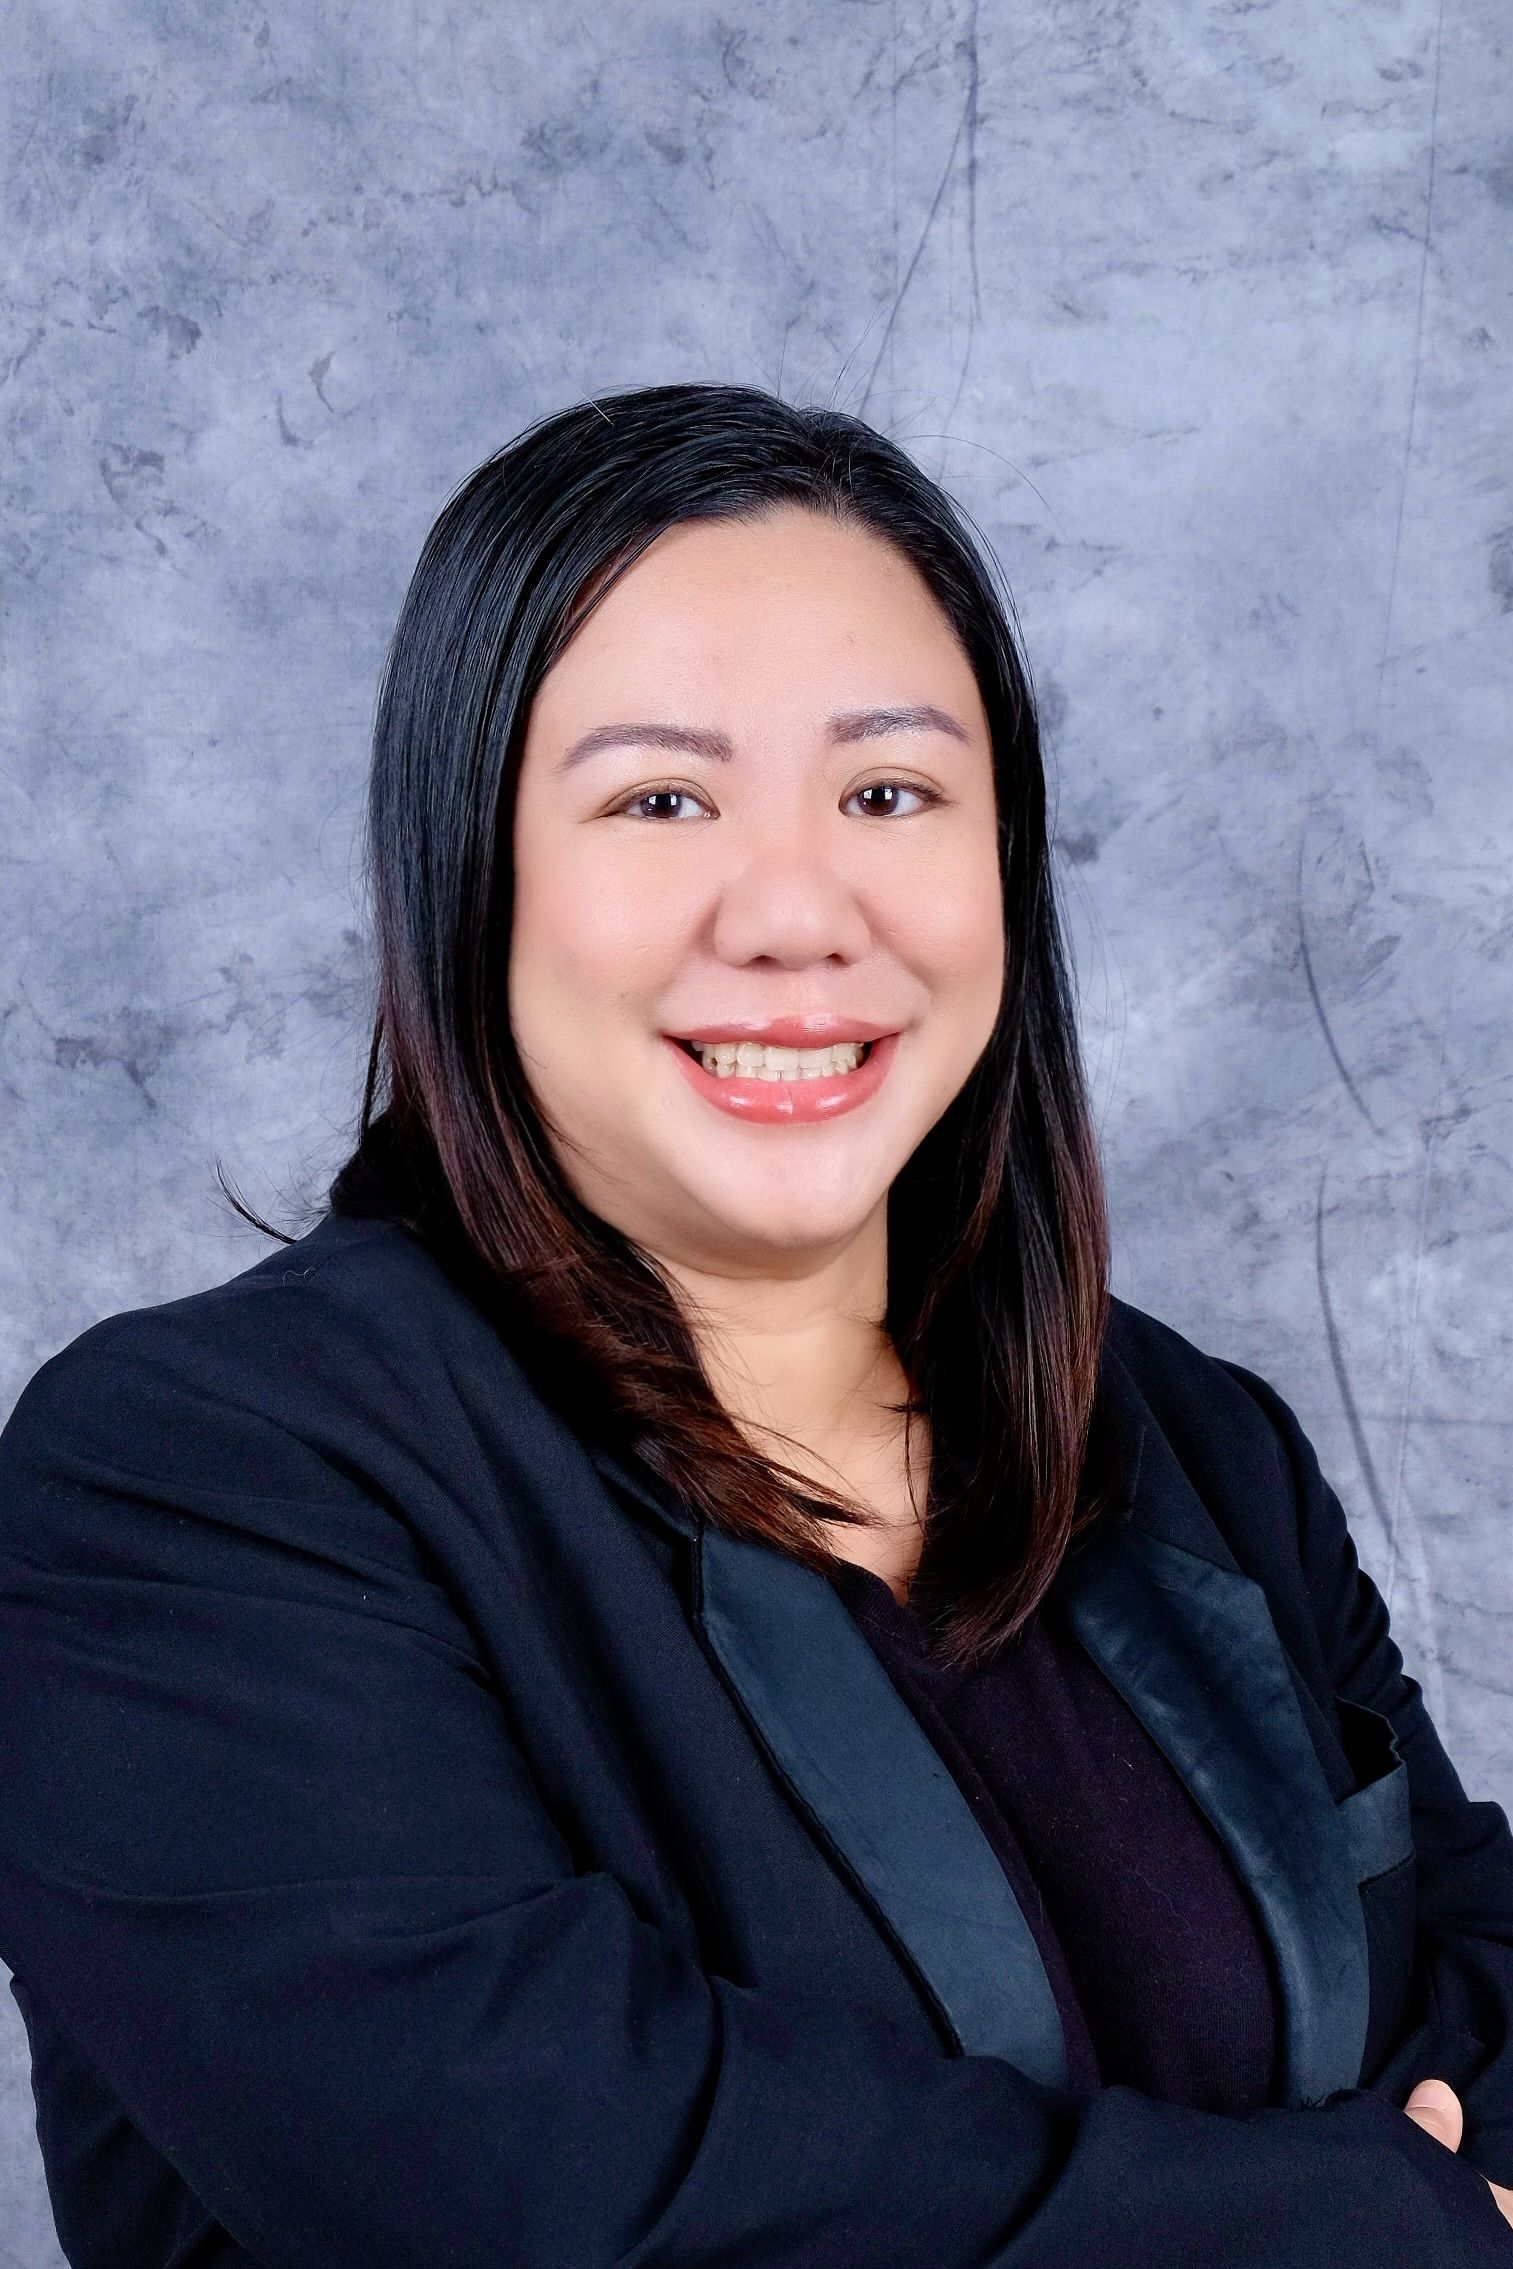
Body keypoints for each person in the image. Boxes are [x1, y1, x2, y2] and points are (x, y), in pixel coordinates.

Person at [1, 380, 1510, 2267]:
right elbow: (557, 2192)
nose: (798, 910)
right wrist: (1367, 2219)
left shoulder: (1188, 1435)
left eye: (889, 792)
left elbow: (1485, 1975)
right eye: (659, 798)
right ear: (472, 874)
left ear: (1003, 869)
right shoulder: (195, 1484)